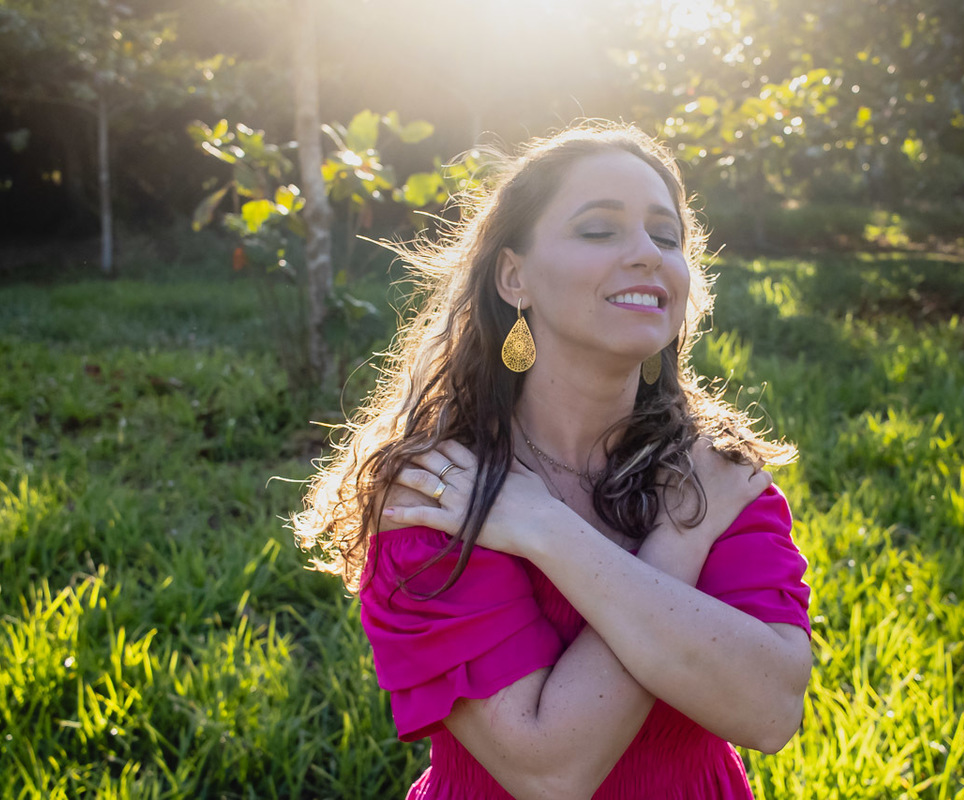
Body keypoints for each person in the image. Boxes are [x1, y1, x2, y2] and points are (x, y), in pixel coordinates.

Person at [294, 120, 813, 799]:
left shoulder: (717, 470)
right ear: (515, 276)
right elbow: (549, 769)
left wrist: (543, 529)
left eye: (666, 235)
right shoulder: (438, 488)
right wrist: (683, 535)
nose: (647, 254)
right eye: (600, 230)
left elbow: (771, 710)